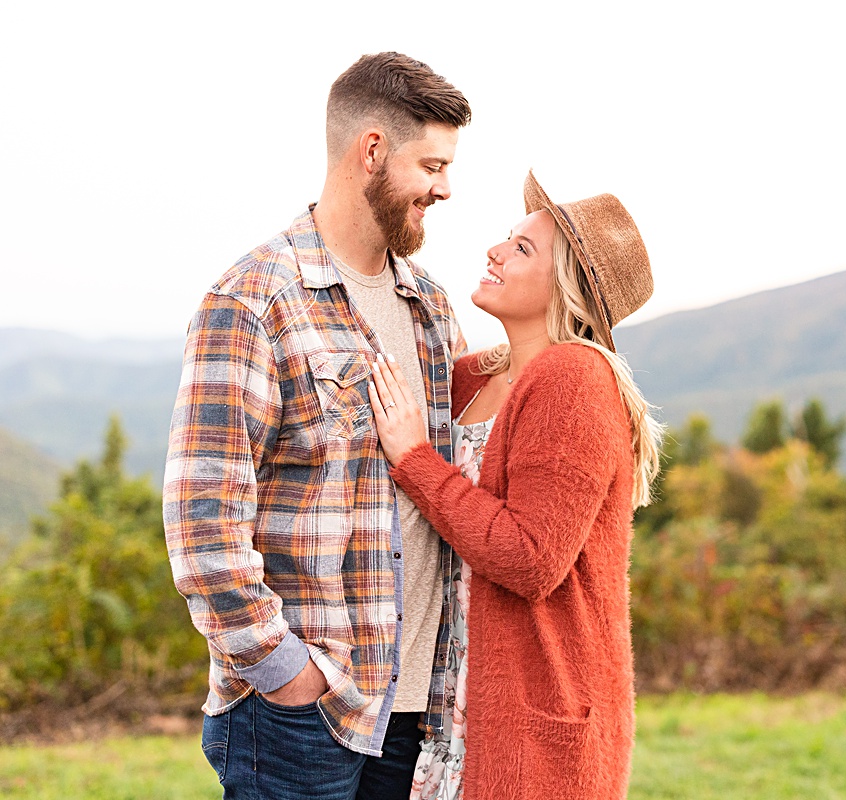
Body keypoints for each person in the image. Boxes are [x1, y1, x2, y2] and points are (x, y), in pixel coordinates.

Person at [162, 52, 471, 799]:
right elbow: (202, 518)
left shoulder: (429, 306)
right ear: (372, 151)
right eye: (431, 165)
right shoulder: (255, 300)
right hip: (302, 712)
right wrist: (285, 672)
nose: (445, 188)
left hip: (410, 712)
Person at [369, 171, 664, 800]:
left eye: (522, 248)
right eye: (508, 237)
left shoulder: (575, 379)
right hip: (452, 711)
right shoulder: (478, 377)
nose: (495, 251)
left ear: (565, 289)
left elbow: (530, 558)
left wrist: (417, 460)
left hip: (532, 721)